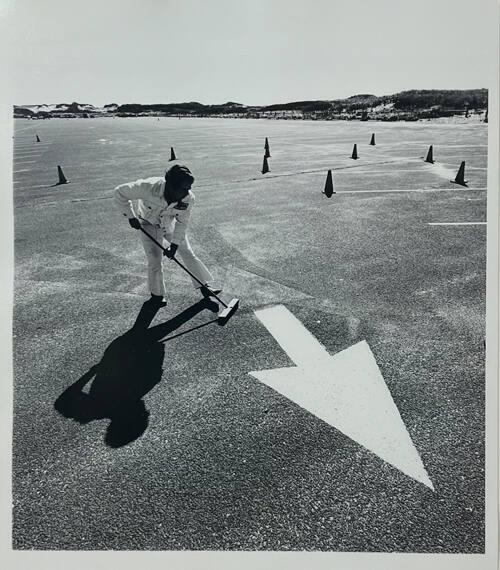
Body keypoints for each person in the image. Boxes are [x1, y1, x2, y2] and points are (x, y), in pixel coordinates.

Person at [115, 164, 220, 308]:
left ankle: (204, 287)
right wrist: (131, 216)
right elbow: (120, 192)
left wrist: (175, 245)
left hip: (168, 223)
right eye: (183, 188)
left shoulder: (188, 198)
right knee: (155, 260)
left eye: (189, 187)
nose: (187, 192)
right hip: (148, 224)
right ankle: (157, 296)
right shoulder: (148, 187)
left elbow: (182, 223)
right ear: (171, 186)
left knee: (188, 252)